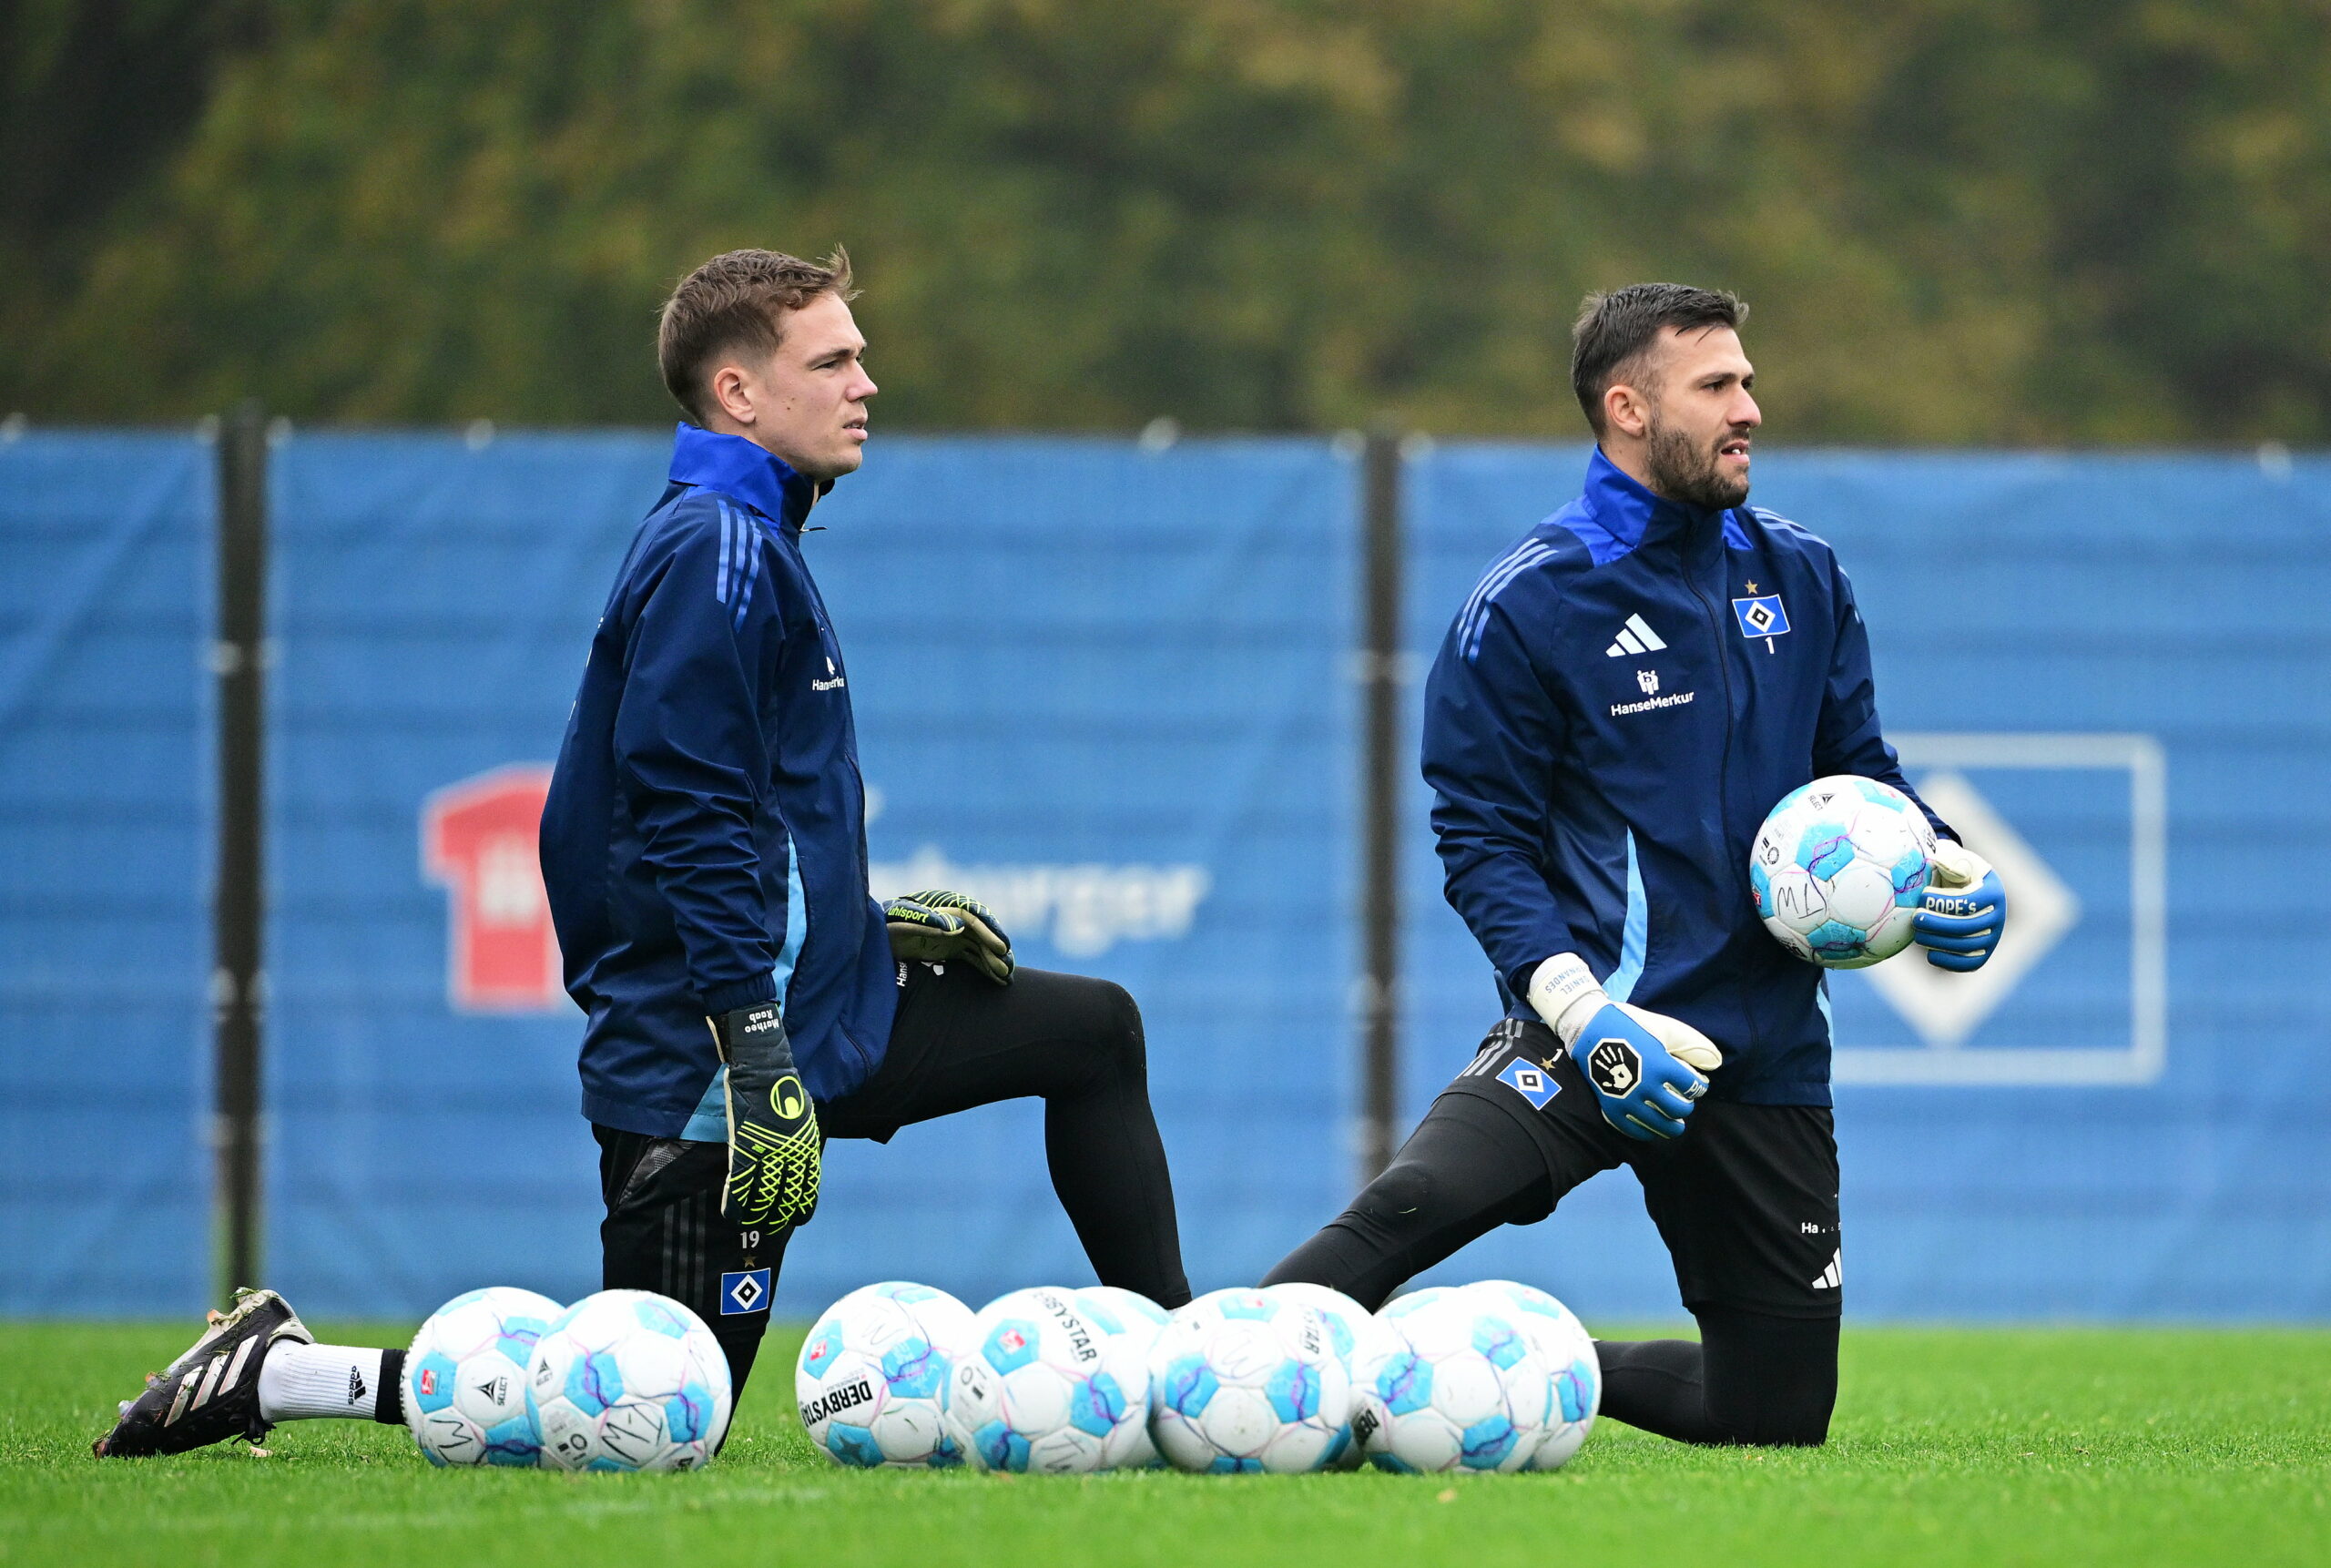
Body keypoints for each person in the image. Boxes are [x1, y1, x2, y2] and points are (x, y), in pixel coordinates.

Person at [95, 248, 1190, 1459]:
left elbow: (746, 813)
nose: (865, 383)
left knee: (1095, 1032)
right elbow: (685, 812)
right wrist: (752, 1049)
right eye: (831, 361)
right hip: (712, 1055)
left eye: (860, 357)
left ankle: (1183, 1371)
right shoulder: (715, 547)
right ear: (738, 393)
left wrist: (859, 926)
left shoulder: (753, 541)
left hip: (821, 1014)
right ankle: (296, 1372)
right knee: (656, 1416)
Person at [1261, 283, 2006, 1446]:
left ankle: (1492, 1363)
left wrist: (1949, 872)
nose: (1749, 407)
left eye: (1747, 380)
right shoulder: (1528, 603)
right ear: (1626, 408)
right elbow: (1480, 840)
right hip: (1589, 1033)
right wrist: (1581, 1010)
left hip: (1762, 1054)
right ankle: (1187, 1384)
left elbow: (1861, 774)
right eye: (1716, 386)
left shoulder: (1803, 576)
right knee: (1402, 1213)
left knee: (1773, 1421)